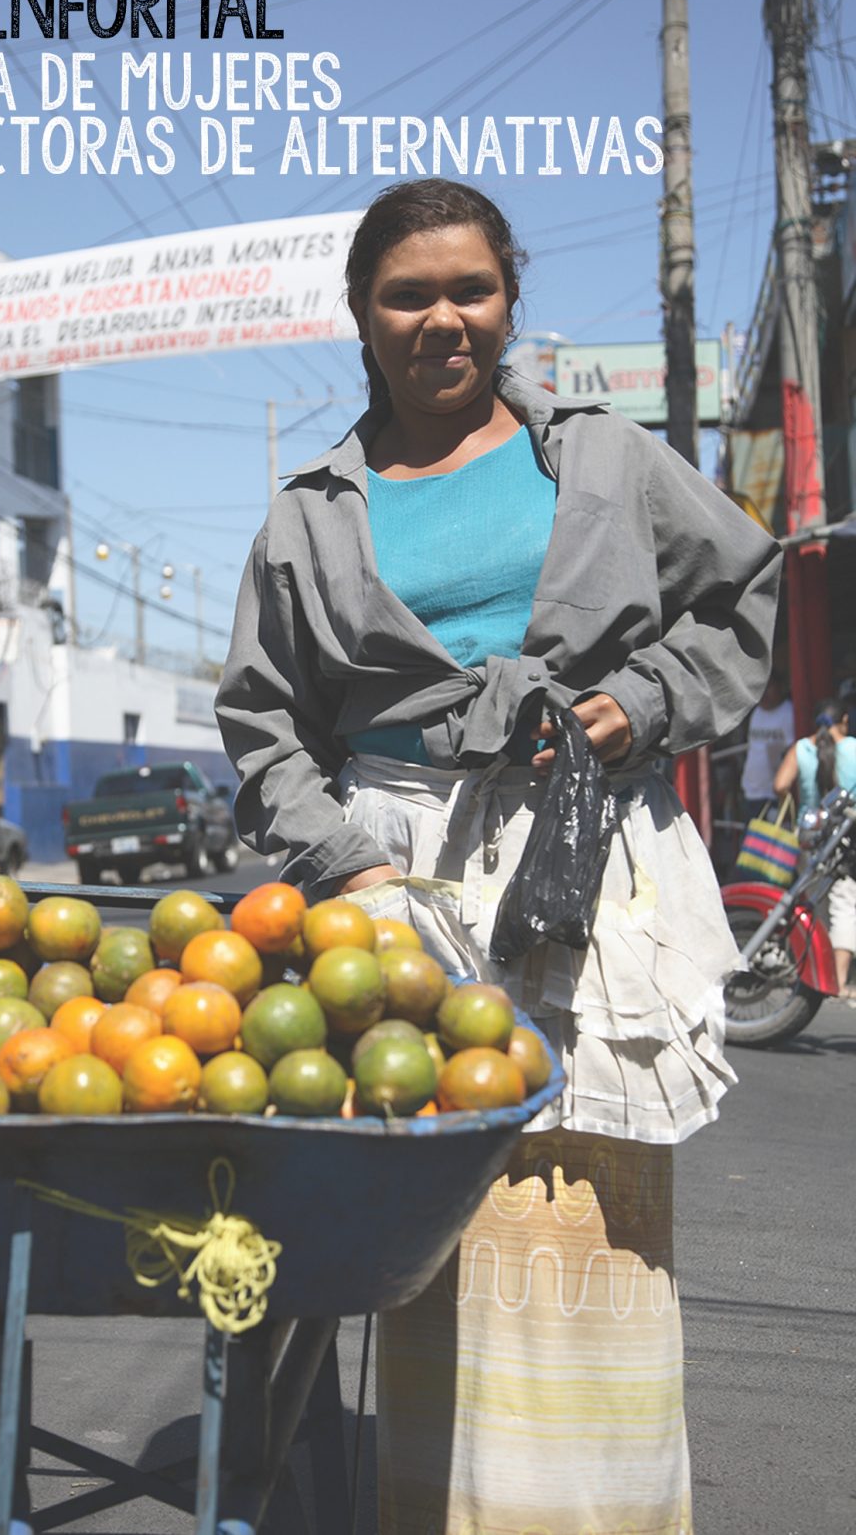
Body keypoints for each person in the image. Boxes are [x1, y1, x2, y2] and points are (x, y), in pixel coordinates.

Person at [216, 179, 782, 1535]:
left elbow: (738, 597)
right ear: (362, 316)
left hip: (595, 864)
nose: (441, 318)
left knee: (587, 1213)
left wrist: (641, 702)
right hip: (395, 881)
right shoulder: (308, 514)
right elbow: (263, 724)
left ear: (510, 301)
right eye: (407, 294)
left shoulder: (603, 460)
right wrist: (349, 865)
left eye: (468, 288)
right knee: (434, 1233)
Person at [773, 696, 856, 996]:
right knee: (845, 905)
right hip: (844, 836)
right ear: (844, 720)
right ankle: (839, 979)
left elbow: (780, 785)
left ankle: (814, 973)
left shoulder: (801, 748)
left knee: (814, 903)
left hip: (810, 833)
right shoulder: (853, 748)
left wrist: (793, 808)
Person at [739, 673, 795, 821]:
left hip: (773, 793)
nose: (764, 692)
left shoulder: (789, 713)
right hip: (751, 790)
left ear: (780, 687)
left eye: (769, 686)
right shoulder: (756, 713)